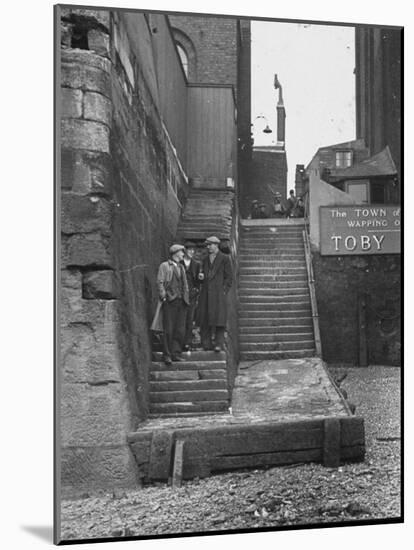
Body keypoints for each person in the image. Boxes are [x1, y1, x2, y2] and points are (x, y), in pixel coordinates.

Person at [198, 236, 233, 352]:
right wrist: (201, 278)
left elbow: (229, 277)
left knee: (219, 320)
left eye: (210, 245)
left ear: (216, 245)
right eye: (207, 245)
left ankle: (219, 344)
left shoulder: (225, 258)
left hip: (218, 294)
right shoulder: (205, 259)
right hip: (206, 294)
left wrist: (223, 291)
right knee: (205, 318)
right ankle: (206, 344)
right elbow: (202, 274)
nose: (208, 247)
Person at [156, 244, 189, 365]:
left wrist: (186, 298)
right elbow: (160, 282)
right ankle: (167, 355)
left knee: (179, 329)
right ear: (175, 253)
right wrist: (163, 296)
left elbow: (185, 284)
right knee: (168, 329)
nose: (183, 255)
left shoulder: (181, 267)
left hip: (182, 301)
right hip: (170, 301)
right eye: (181, 252)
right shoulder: (165, 266)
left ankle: (176, 353)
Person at [181, 240, 201, 351]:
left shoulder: (196, 265)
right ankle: (178, 342)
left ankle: (187, 343)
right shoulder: (179, 263)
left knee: (189, 319)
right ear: (185, 250)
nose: (192, 252)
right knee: (180, 320)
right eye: (190, 250)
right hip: (180, 295)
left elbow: (198, 281)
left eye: (193, 250)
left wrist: (196, 290)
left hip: (192, 296)